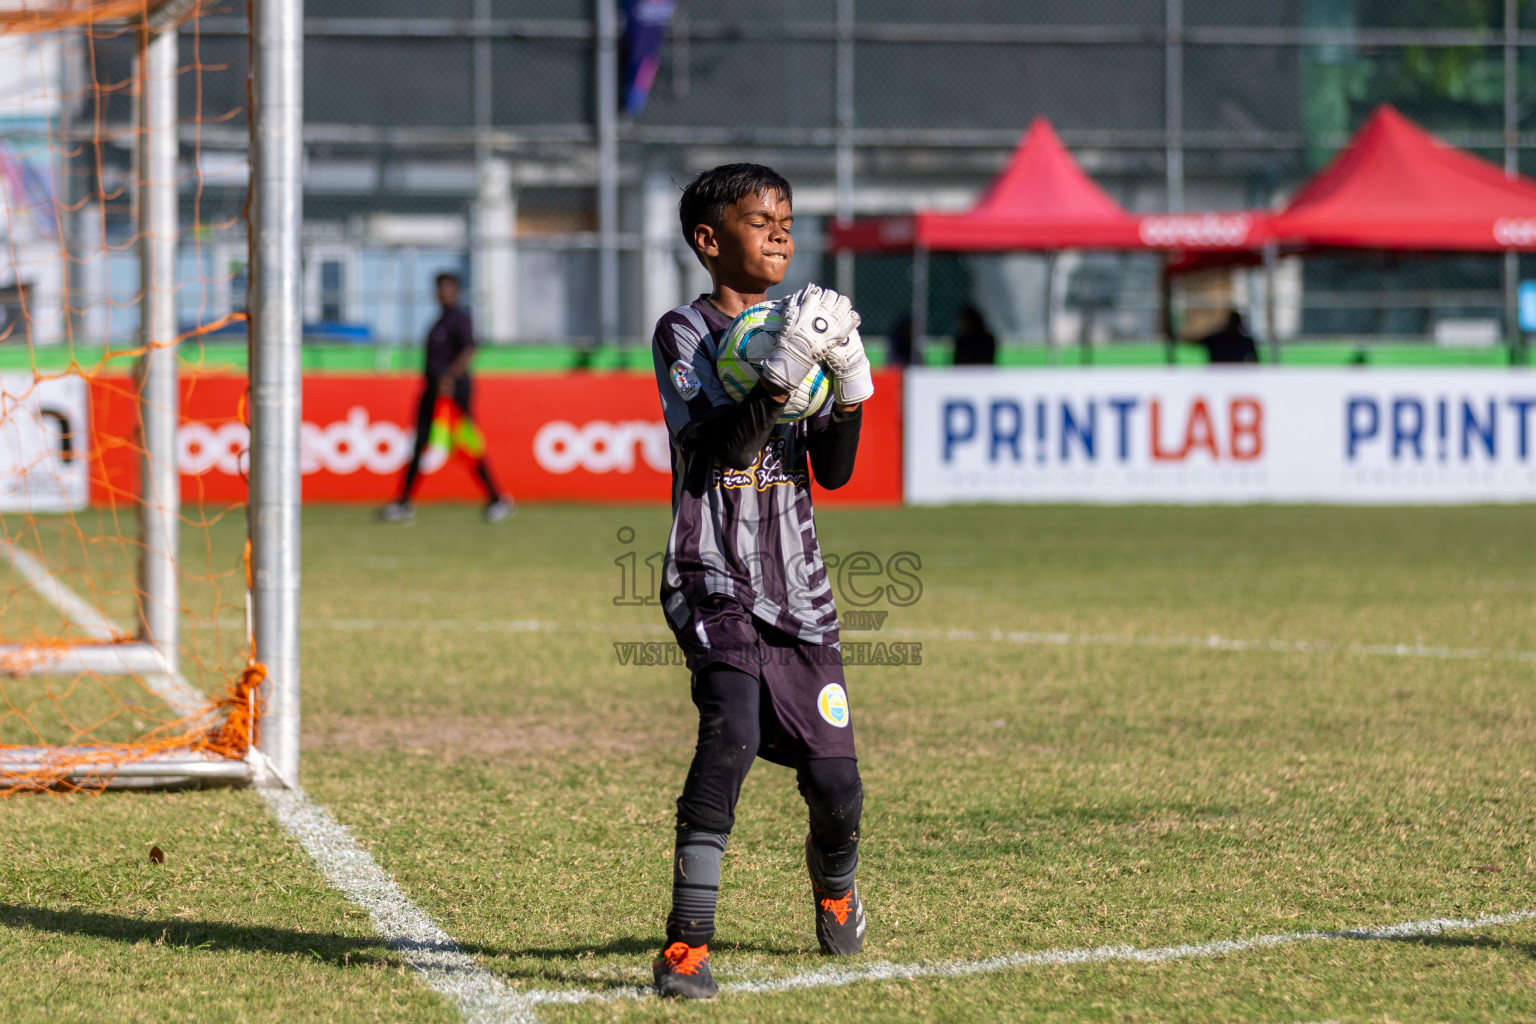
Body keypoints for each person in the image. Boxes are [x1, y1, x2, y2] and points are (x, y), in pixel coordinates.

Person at [648, 163, 872, 999]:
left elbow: (836, 473)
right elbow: (722, 451)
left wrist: (849, 388)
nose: (780, 232)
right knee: (731, 727)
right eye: (758, 220)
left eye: (786, 218)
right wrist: (783, 370)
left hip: (800, 586)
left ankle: (838, 885)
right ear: (709, 242)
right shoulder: (685, 334)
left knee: (835, 783)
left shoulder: (803, 326)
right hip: (711, 573)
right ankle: (687, 948)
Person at [380, 272, 514, 523]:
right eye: (440, 288)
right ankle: (403, 502)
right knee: (420, 443)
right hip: (432, 389)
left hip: (452, 391)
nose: (444, 293)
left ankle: (497, 499)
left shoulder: (459, 319)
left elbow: (469, 348)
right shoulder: (438, 321)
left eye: (448, 288)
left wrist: (450, 377)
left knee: (467, 443)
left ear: (457, 291)